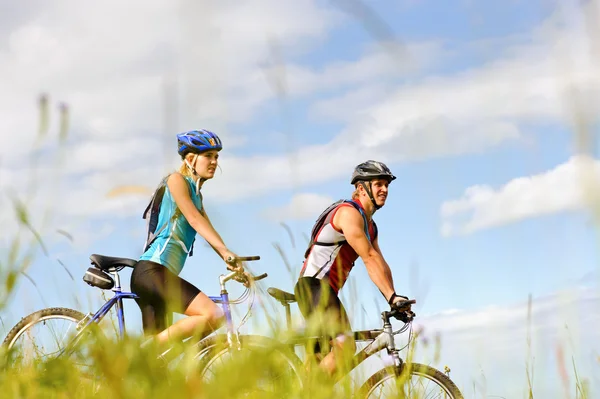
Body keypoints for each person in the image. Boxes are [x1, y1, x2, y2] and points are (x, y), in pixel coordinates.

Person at [294, 160, 412, 377]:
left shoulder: (370, 225)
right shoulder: (349, 213)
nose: (384, 190)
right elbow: (368, 257)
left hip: (325, 292)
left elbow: (379, 262)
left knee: (320, 359)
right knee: (345, 346)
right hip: (314, 288)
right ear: (361, 188)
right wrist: (391, 296)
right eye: (378, 184)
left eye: (387, 185)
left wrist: (396, 300)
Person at [130, 129, 240, 349]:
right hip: (152, 272)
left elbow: (208, 231)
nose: (214, 162)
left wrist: (236, 266)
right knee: (212, 314)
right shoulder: (176, 180)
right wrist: (228, 254)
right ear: (190, 159)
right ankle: (140, 354)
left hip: (160, 275)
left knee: (158, 363)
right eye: (208, 155)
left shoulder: (197, 196)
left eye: (216, 157)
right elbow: (194, 220)